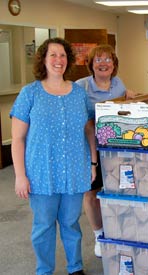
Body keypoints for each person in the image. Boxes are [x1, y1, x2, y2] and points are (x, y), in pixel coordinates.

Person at [10, 37, 96, 275]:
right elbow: (16, 139)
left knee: (71, 223)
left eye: (63, 55)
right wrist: (19, 176)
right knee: (43, 226)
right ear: (43, 60)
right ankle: (44, 270)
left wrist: (93, 162)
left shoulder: (79, 93)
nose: (59, 60)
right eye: (53, 55)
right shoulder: (30, 93)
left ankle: (75, 268)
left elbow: (89, 129)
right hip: (41, 172)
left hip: (75, 169)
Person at [76, 44, 138, 258]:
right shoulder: (81, 87)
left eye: (108, 59)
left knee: (115, 189)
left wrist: (129, 95)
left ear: (114, 64)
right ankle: (99, 235)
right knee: (92, 193)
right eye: (98, 60)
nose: (103, 63)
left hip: (115, 150)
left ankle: (116, 229)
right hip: (89, 149)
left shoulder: (118, 84)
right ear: (91, 65)